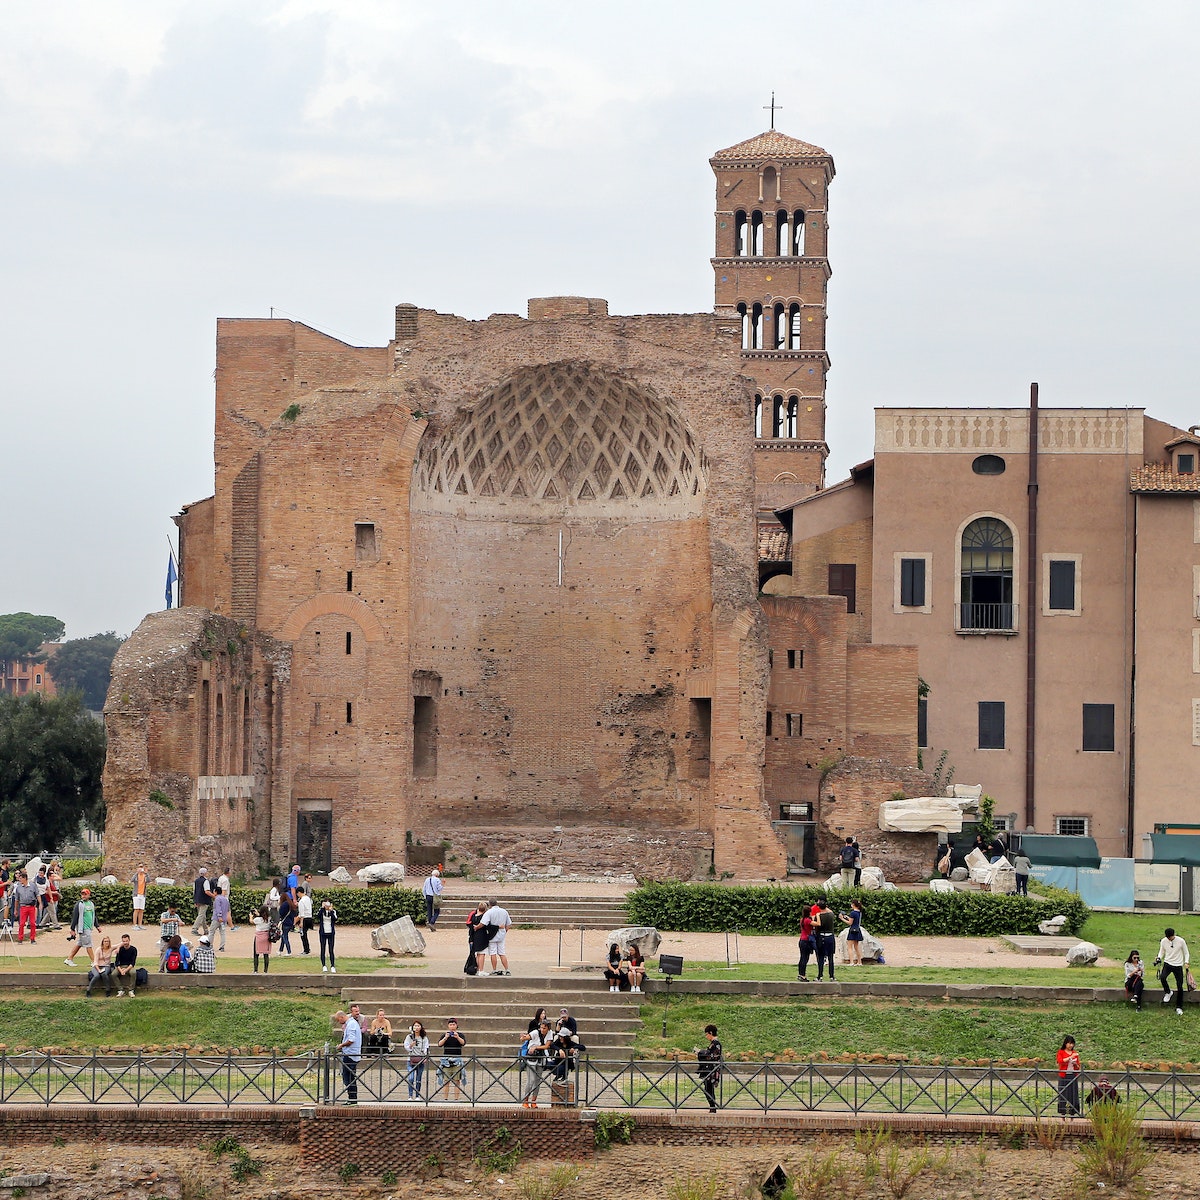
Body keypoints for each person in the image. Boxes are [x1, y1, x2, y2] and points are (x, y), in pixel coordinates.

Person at [1155, 927, 1190, 1015]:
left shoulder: (1181, 941)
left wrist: (1186, 962)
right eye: (1167, 937)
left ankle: (1179, 1007)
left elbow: (1186, 952)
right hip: (1168, 963)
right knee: (1162, 978)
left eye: (1170, 937)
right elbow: (1161, 951)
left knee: (1179, 986)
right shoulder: (1163, 941)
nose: (1169, 939)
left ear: (1174, 935)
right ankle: (1168, 992)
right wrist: (1159, 958)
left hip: (1178, 965)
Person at [522, 1019, 553, 1108]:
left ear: (548, 1028)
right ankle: (525, 1100)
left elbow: (547, 1045)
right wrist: (524, 1037)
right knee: (531, 1080)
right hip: (531, 1058)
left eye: (544, 1028)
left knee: (537, 1081)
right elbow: (528, 1037)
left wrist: (536, 1047)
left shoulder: (550, 1033)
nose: (542, 1030)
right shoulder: (535, 1032)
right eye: (541, 1028)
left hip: (541, 1057)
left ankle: (534, 1101)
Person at [477, 897, 512, 976]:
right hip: (501, 935)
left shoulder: (489, 912)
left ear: (489, 904)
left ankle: (494, 969)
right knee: (502, 953)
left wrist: (477, 927)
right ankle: (507, 969)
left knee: (493, 953)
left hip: (492, 935)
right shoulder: (504, 911)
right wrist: (505, 932)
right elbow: (508, 924)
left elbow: (483, 923)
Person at [333, 1010, 362, 1105]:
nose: (339, 1022)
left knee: (348, 1078)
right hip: (351, 1054)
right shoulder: (352, 1023)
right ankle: (352, 1098)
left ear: (342, 1017)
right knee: (349, 1077)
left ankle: (353, 1099)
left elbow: (351, 1040)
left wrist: (341, 1045)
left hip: (350, 1055)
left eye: (338, 1020)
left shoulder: (351, 1024)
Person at [65, 887, 99, 967]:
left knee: (79, 944)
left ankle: (69, 959)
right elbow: (75, 917)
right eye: (82, 894)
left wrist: (97, 926)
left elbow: (93, 916)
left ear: (89, 895)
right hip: (83, 928)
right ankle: (94, 961)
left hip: (89, 927)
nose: (83, 896)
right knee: (88, 945)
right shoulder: (79, 904)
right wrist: (72, 929)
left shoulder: (91, 904)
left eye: (85, 894)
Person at [436, 1017, 467, 1101]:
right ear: (448, 1026)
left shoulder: (460, 1035)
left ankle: (456, 1099)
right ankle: (445, 1098)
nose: (452, 1026)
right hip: (446, 1060)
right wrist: (445, 1038)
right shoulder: (445, 1034)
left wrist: (457, 1037)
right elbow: (439, 1044)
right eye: (450, 1024)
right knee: (446, 1081)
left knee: (457, 1081)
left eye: (454, 1024)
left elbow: (463, 1043)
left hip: (457, 1060)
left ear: (456, 1025)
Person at [697, 1023, 723, 1113]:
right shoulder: (713, 1043)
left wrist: (702, 1052)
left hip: (712, 1070)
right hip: (710, 1069)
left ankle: (713, 1107)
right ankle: (712, 1107)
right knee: (707, 1088)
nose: (706, 1036)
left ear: (711, 1033)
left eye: (707, 1034)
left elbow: (714, 1056)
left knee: (709, 1088)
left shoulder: (716, 1043)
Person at [403, 1020, 428, 1100]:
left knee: (418, 1078)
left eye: (418, 1026)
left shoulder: (424, 1038)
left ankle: (417, 1095)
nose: (416, 1028)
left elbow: (426, 1048)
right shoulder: (409, 1037)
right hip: (411, 1059)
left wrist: (425, 1056)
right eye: (415, 1026)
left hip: (420, 1059)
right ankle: (410, 1095)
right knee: (410, 1077)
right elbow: (406, 1046)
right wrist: (411, 1045)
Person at [1057, 1035, 1081, 1116]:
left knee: (1073, 1094)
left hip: (1073, 1075)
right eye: (1069, 1043)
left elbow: (1078, 1066)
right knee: (1063, 1093)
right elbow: (1060, 1061)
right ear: (1065, 1043)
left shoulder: (1075, 1053)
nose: (1071, 1045)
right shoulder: (1061, 1052)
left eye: (1072, 1044)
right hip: (1064, 1075)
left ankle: (1073, 1112)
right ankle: (1063, 1112)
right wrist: (1070, 1057)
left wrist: (1075, 1063)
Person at [13, 871, 38, 943]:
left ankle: (32, 938)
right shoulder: (18, 888)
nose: (19, 880)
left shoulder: (32, 885)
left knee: (32, 923)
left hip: (31, 907)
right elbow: (17, 899)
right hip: (23, 907)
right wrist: (15, 909)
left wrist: (39, 904)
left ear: (25, 878)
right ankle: (20, 938)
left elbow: (37, 894)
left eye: (21, 878)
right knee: (21, 923)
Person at [815, 901, 837, 981]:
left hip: (821, 936)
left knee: (820, 958)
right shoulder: (831, 915)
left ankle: (820, 976)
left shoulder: (819, 916)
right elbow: (830, 911)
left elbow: (817, 926)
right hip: (830, 936)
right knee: (831, 958)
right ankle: (832, 976)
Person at [466, 901, 490, 975]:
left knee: (477, 954)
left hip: (474, 936)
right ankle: (481, 970)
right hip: (482, 935)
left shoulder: (474, 915)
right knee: (482, 953)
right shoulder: (484, 916)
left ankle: (477, 969)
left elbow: (469, 925)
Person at [841, 900, 864, 965]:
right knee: (856, 947)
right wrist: (847, 917)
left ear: (853, 905)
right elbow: (854, 920)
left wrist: (842, 919)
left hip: (852, 930)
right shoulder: (859, 912)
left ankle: (851, 962)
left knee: (849, 946)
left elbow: (850, 923)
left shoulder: (853, 913)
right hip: (857, 929)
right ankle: (859, 962)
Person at [318, 897, 338, 973]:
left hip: (331, 933)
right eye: (325, 903)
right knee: (323, 949)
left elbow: (335, 919)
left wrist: (331, 910)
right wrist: (322, 908)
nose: (327, 904)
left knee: (331, 949)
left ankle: (332, 965)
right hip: (323, 932)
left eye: (328, 903)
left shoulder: (333, 911)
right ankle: (324, 965)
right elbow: (318, 916)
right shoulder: (321, 911)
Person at [191, 868, 213, 935]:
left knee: (202, 915)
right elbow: (207, 891)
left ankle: (205, 930)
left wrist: (195, 900)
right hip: (204, 900)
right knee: (201, 915)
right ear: (205, 873)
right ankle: (194, 929)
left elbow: (194, 891)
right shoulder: (205, 881)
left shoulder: (196, 881)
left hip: (198, 900)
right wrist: (214, 896)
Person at [211, 886, 232, 951]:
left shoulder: (217, 899)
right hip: (224, 918)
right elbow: (228, 909)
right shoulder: (225, 899)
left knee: (211, 931)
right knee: (222, 933)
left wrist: (219, 916)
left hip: (217, 918)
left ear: (216, 892)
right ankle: (222, 946)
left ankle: (209, 945)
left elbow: (218, 908)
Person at [252, 905, 273, 974]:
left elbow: (251, 921)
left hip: (259, 936)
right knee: (266, 954)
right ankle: (265, 970)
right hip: (266, 936)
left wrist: (251, 916)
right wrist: (258, 914)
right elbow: (264, 917)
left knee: (256, 953)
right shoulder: (269, 919)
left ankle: (255, 970)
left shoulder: (258, 919)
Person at [798, 907, 816, 981]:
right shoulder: (808, 920)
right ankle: (803, 975)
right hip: (807, 940)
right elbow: (818, 924)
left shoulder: (802, 920)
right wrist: (816, 916)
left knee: (802, 958)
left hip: (802, 939)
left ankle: (800, 974)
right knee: (805, 958)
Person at [130, 864, 150, 928]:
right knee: (136, 909)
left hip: (142, 895)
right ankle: (135, 924)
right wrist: (137, 873)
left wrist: (146, 873)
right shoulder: (136, 876)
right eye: (140, 867)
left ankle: (140, 924)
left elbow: (149, 880)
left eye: (142, 867)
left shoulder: (145, 876)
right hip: (136, 895)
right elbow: (132, 880)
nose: (141, 868)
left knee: (141, 910)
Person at [278, 891, 296, 956]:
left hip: (285, 922)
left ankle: (289, 951)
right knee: (284, 936)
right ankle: (280, 950)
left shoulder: (284, 905)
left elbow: (281, 913)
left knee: (285, 937)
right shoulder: (291, 904)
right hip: (290, 922)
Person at [297, 886, 314, 955]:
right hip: (310, 917)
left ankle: (306, 949)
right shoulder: (308, 899)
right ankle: (307, 949)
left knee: (303, 935)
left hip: (304, 919)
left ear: (299, 893)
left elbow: (302, 913)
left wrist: (301, 922)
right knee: (305, 934)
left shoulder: (301, 901)